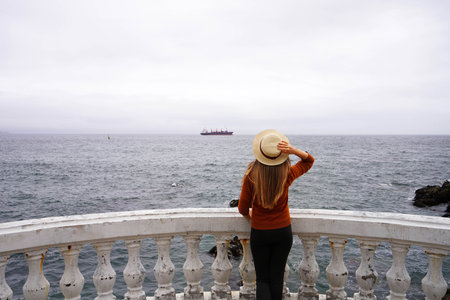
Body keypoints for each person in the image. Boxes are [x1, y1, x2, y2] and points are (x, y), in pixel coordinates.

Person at [238, 129, 314, 300]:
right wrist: (293, 150)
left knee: (263, 279)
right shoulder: (287, 173)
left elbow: (242, 208)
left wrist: (252, 214)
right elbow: (309, 161)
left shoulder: (251, 175)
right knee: (277, 278)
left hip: (260, 232)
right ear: (281, 154)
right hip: (283, 232)